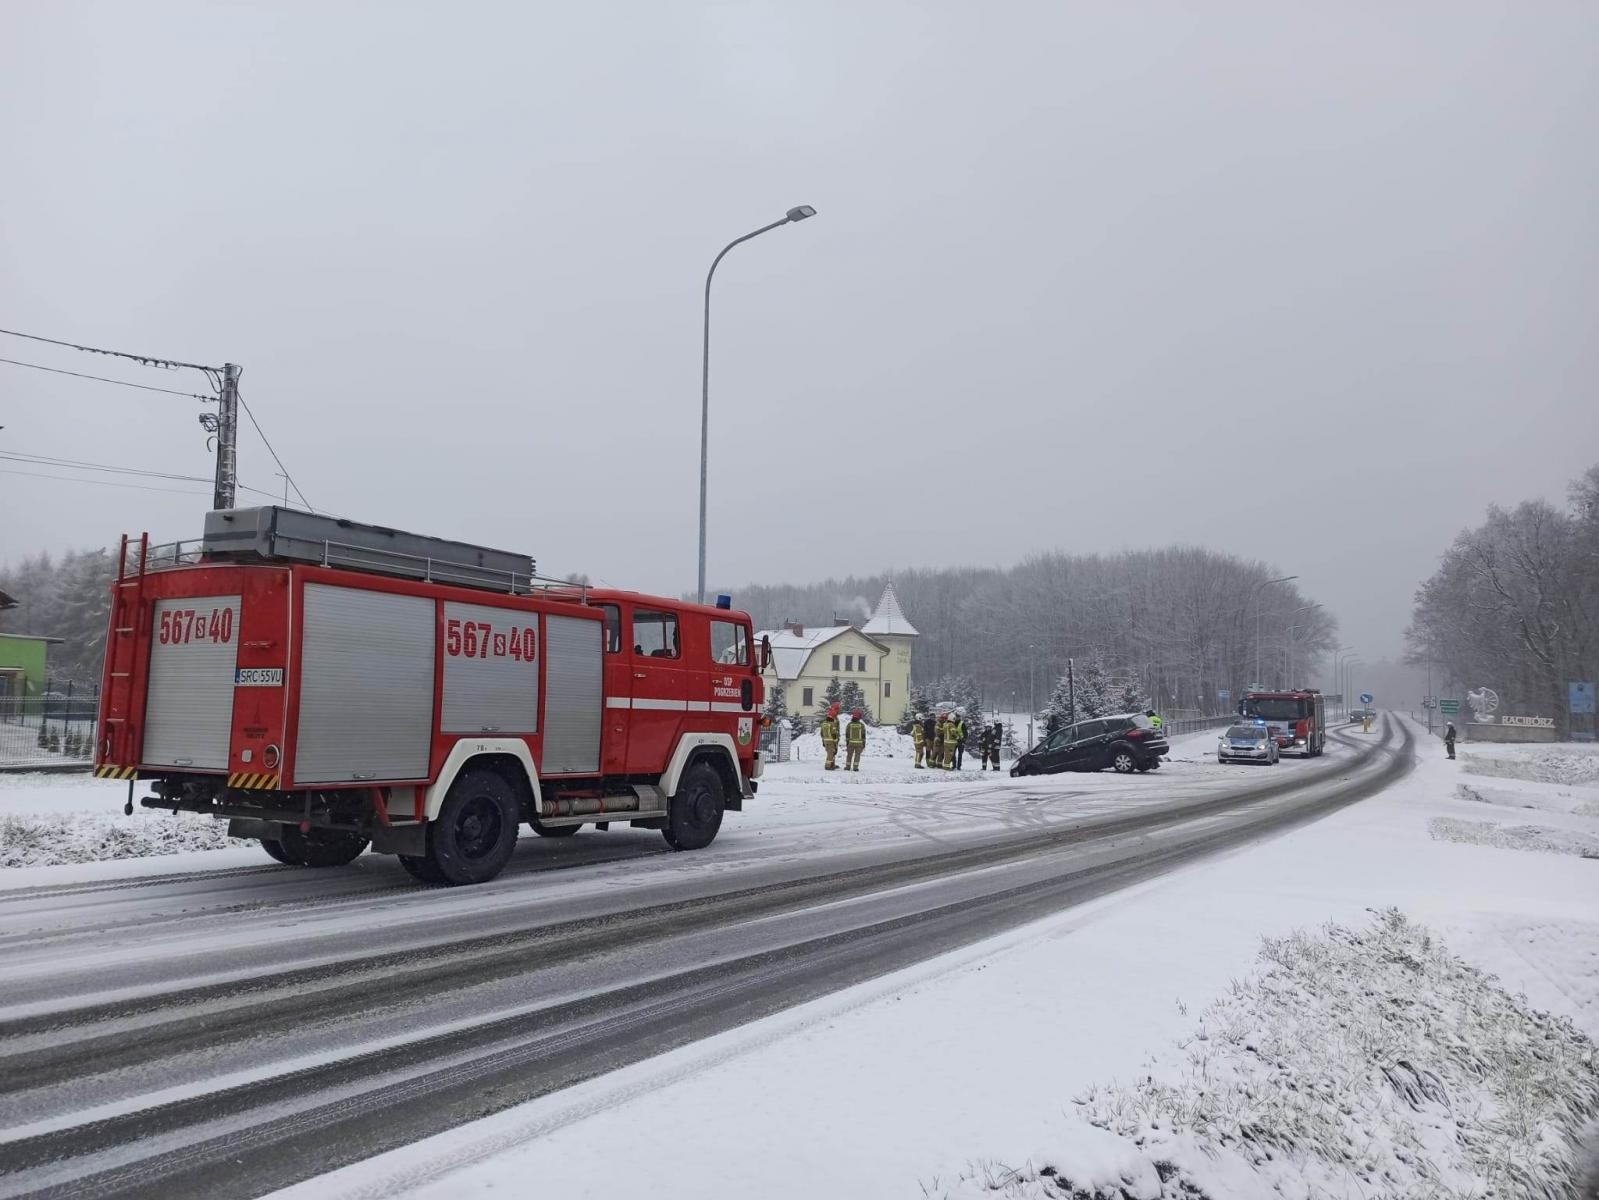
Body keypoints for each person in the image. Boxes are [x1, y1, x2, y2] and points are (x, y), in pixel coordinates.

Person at [820, 704, 841, 771]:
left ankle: (832, 764)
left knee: (833, 752)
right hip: (832, 738)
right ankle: (828, 765)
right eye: (838, 709)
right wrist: (836, 739)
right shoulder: (833, 718)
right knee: (831, 752)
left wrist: (823, 740)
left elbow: (822, 733)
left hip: (828, 738)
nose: (839, 710)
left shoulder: (828, 719)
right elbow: (834, 730)